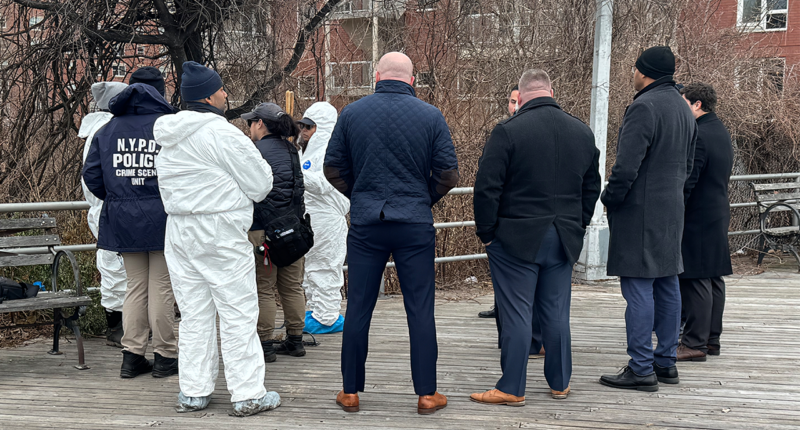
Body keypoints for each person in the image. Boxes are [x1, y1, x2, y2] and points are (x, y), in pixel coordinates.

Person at [324, 52, 459, 415]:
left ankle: (350, 392)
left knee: (358, 309)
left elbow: (332, 167)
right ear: (412, 80)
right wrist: (421, 199)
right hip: (414, 225)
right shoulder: (431, 116)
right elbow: (448, 174)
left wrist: (361, 195)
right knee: (420, 309)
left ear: (377, 75)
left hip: (368, 225)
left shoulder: (351, 113)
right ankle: (427, 394)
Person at [153, 61, 280, 417]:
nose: (226, 94)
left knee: (194, 314)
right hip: (219, 230)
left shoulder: (168, 138)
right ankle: (248, 392)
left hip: (178, 231)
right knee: (238, 311)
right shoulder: (221, 134)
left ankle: (193, 390)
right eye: (221, 88)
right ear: (209, 96)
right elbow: (260, 183)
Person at [470, 69, 601, 404]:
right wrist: (578, 225)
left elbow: (487, 188)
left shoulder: (509, 131)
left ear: (522, 95)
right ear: (551, 90)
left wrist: (487, 233)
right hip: (564, 237)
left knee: (516, 313)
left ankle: (511, 387)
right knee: (556, 312)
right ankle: (560, 382)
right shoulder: (581, 132)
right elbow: (591, 187)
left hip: (515, 237)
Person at [599, 46, 696, 392]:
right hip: (672, 211)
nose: (632, 73)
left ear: (646, 71)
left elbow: (626, 167)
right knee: (668, 283)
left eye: (635, 68)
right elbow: (688, 166)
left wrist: (610, 198)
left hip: (640, 213)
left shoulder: (644, 106)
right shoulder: (684, 109)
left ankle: (641, 368)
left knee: (638, 288)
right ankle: (665, 362)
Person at [82, 83, 178, 379]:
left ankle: (132, 355)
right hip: (162, 217)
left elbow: (91, 176)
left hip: (123, 219)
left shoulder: (107, 131)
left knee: (135, 286)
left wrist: (117, 196)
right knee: (162, 286)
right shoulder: (166, 128)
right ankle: (165, 355)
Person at [242, 102, 308, 362]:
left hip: (262, 231)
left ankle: (266, 344)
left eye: (251, 122)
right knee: (292, 287)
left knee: (264, 288)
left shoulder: (253, 151)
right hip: (294, 228)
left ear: (260, 124)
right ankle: (295, 340)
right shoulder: (293, 150)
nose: (249, 127)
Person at [677, 83, 733, 361]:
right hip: (718, 211)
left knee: (695, 277)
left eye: (684, 102)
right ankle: (711, 339)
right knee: (713, 277)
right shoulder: (720, 130)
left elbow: (690, 178)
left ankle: (694, 343)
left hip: (698, 215)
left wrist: (676, 207)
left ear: (697, 104)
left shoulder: (699, 134)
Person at [79, 82, 129, 348]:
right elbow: (93, 178)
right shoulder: (106, 131)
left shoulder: (104, 130)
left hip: (111, 208)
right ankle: (117, 327)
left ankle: (125, 324)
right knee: (114, 268)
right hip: (109, 209)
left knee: (120, 268)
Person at [298, 102, 349, 334]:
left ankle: (327, 317)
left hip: (328, 218)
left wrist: (294, 173)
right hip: (311, 216)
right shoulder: (306, 151)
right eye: (302, 125)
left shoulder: (333, 150)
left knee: (326, 267)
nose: (304, 130)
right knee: (311, 268)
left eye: (309, 126)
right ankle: (315, 311)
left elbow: (323, 184)